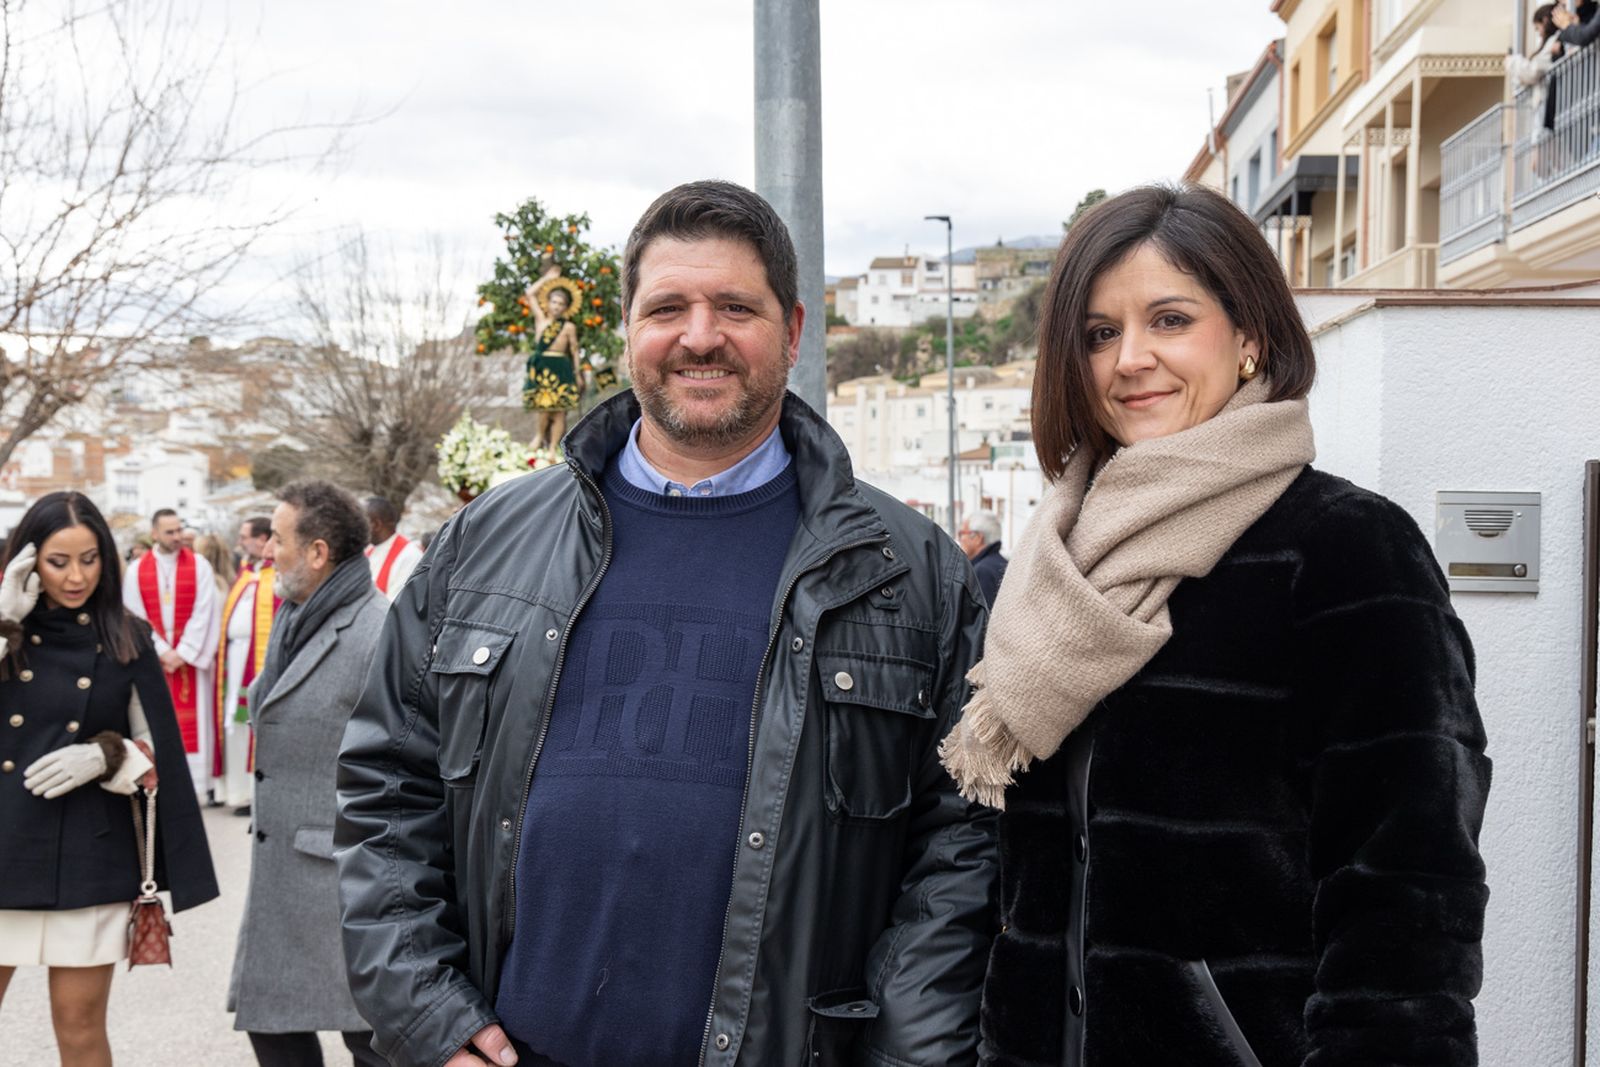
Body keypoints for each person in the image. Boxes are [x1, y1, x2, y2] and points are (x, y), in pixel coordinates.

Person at [337, 179, 997, 1067]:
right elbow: (387, 790)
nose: (699, 335)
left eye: (735, 306)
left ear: (793, 331)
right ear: (627, 330)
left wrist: (908, 1056)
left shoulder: (909, 572)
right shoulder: (483, 545)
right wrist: (429, 1017)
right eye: (668, 307)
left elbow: (963, 845)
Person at [943, 184, 1491, 1066]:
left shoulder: (1344, 548)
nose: (1131, 359)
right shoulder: (1052, 564)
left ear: (1248, 338)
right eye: (1100, 333)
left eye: (1169, 319)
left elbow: (1405, 888)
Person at [0, 492, 219, 1067]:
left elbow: (158, 756)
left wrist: (108, 753)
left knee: (79, 1029)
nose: (77, 576)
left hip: (87, 855)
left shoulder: (128, 635)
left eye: (90, 559)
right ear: (27, 560)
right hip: (3, 846)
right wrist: (4, 621)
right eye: (58, 561)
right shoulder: (7, 629)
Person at [227, 481, 386, 1066]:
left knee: (368, 1040)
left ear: (318, 552)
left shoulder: (376, 630)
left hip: (339, 876)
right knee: (272, 1025)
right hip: (286, 875)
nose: (267, 549)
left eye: (278, 538)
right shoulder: (299, 616)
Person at [122, 509, 220, 797]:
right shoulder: (137, 569)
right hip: (156, 662)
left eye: (179, 530)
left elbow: (205, 610)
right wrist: (162, 651)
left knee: (195, 726)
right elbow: (134, 614)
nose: (177, 537)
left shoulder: (200, 565)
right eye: (170, 532)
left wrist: (185, 652)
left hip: (190, 662)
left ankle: (197, 787)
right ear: (155, 534)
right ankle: (161, 781)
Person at [214, 517, 279, 813]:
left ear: (263, 539)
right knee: (235, 726)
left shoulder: (274, 576)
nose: (240, 542)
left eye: (245, 537)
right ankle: (236, 791)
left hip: (257, 661)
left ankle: (253, 794)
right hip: (235, 660)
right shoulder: (245, 573)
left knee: (251, 725)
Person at [523, 274, 584, 450]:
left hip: (561, 369)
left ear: (566, 307)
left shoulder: (568, 327)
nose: (557, 306)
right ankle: (540, 436)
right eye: (554, 302)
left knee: (560, 412)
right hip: (543, 368)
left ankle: (552, 450)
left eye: (561, 304)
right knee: (544, 408)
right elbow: (530, 293)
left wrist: (577, 373)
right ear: (548, 303)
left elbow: (574, 351)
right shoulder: (540, 320)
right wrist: (548, 277)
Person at [363, 497, 423, 602]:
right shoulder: (368, 550)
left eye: (361, 522)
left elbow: (394, 604)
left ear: (376, 525)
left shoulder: (409, 555)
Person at [957, 509, 1007, 607]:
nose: (959, 539)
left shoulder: (982, 571)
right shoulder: (1004, 564)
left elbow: (981, 619)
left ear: (977, 538)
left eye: (962, 533)